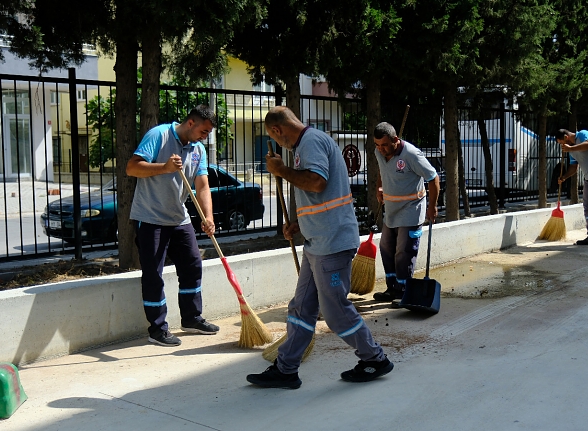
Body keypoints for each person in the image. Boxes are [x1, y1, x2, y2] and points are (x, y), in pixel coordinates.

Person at [246, 106, 393, 389]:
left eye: (275, 139)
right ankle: (286, 369)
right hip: (318, 242)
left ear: (277, 130)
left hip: (332, 244)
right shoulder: (307, 144)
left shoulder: (311, 142)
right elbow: (322, 198)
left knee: (336, 311)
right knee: (301, 308)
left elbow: (316, 183)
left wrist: (281, 169)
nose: (279, 145)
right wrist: (299, 225)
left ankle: (374, 358)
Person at [126, 104, 221, 347]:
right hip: (150, 218)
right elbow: (132, 167)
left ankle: (191, 318)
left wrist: (208, 217)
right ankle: (157, 329)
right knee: (153, 273)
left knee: (192, 265)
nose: (205, 136)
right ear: (191, 122)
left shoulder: (198, 149)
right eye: (204, 131)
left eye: (208, 133)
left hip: (179, 218)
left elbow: (202, 186)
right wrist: (165, 168)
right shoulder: (159, 135)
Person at [371, 122, 441, 302]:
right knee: (386, 248)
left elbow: (433, 178)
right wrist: (380, 187)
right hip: (391, 210)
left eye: (385, 145)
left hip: (411, 209)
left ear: (395, 140)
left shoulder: (411, 155)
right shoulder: (380, 152)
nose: (381, 149)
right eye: (377, 145)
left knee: (404, 251)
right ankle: (391, 289)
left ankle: (404, 291)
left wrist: (432, 206)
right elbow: (382, 169)